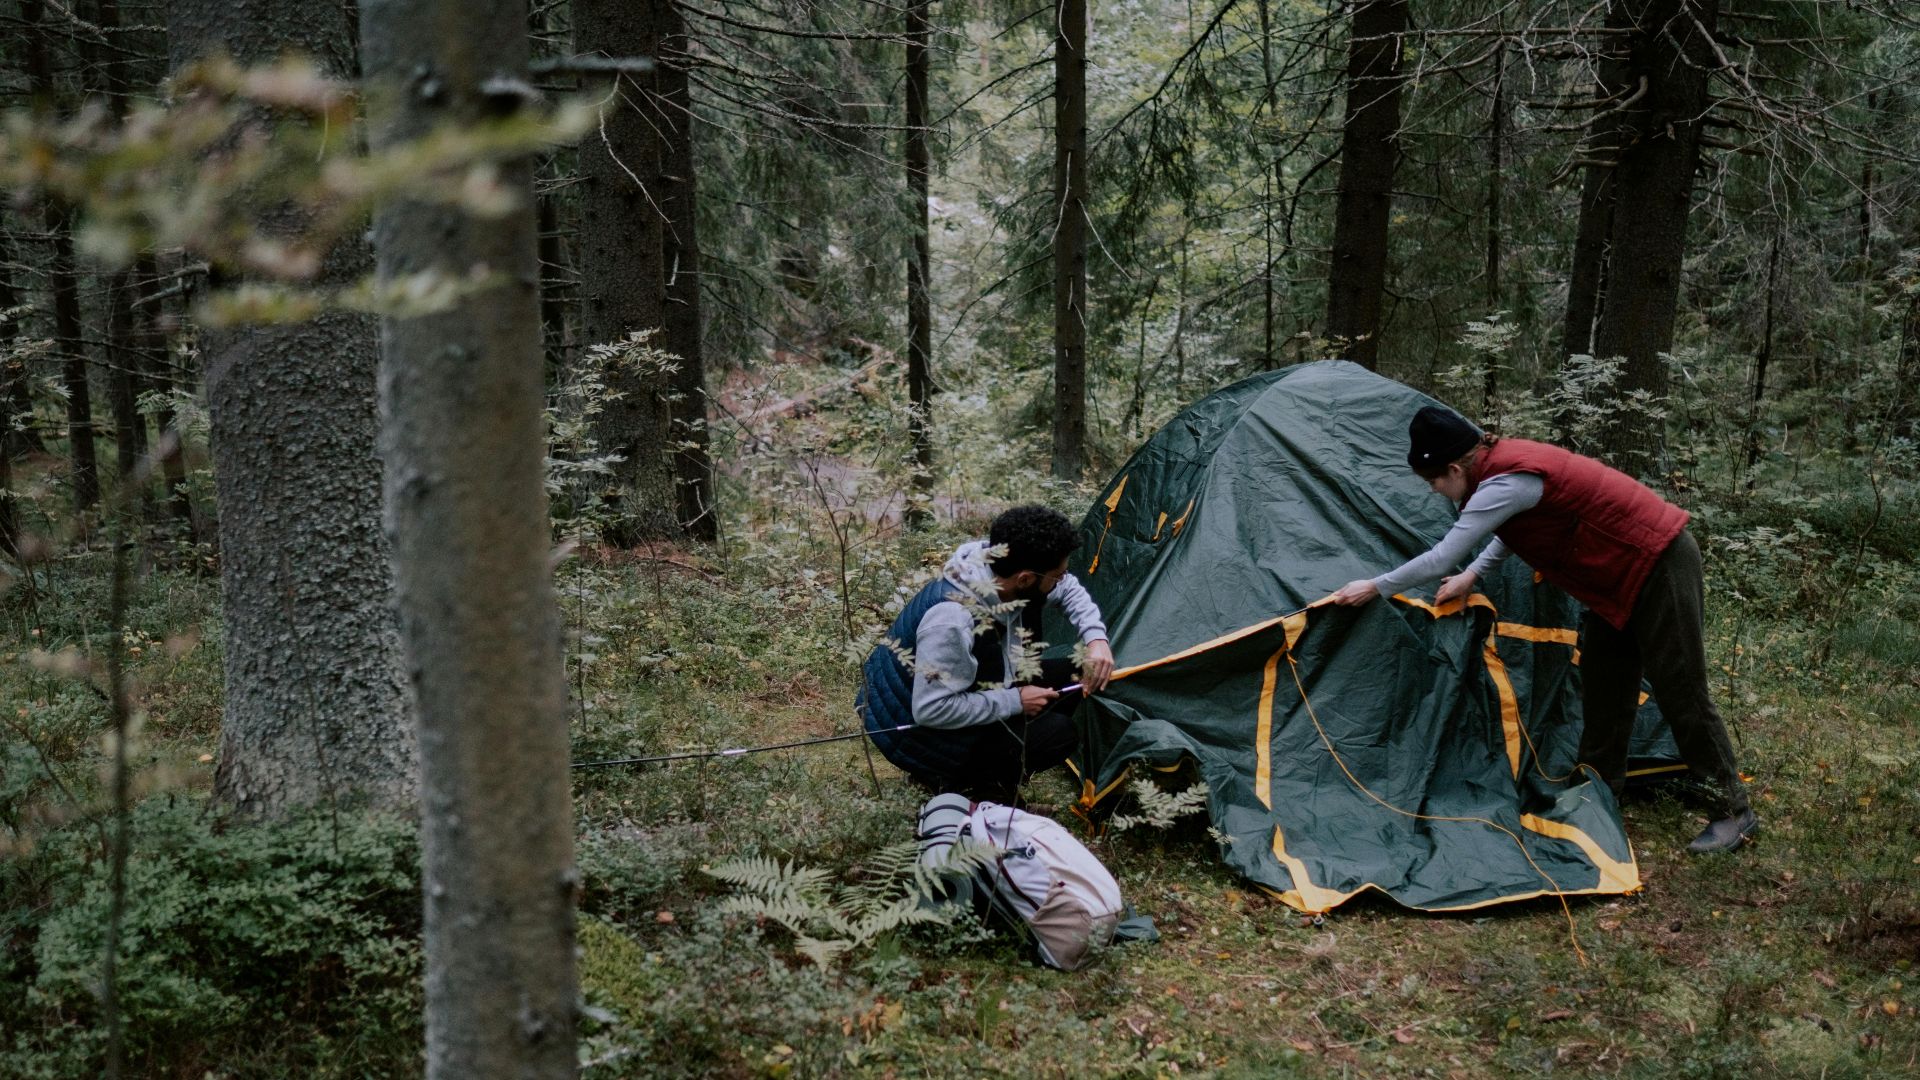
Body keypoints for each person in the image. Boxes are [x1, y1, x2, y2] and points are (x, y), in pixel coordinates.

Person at [1329, 405, 1757, 854]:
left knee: (1680, 688)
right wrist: (1473, 575)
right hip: (1615, 578)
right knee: (1605, 683)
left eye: (1435, 481)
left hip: (1657, 561)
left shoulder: (1504, 480)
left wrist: (1373, 587)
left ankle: (1733, 811)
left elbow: (1440, 557)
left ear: (1455, 468)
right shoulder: (1501, 475)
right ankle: (1600, 790)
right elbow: (1510, 530)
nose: (1437, 491)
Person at [858, 505, 1115, 803]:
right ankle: (968, 786)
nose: (1062, 580)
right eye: (1057, 576)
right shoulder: (952, 619)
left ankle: (995, 769)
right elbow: (930, 710)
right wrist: (1015, 701)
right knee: (1059, 734)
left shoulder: (996, 570)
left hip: (964, 687)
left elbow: (1069, 589)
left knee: (1078, 671)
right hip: (918, 736)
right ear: (1025, 579)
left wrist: (1096, 638)